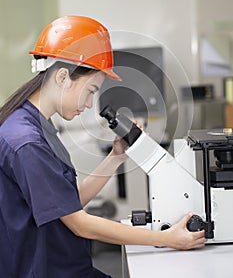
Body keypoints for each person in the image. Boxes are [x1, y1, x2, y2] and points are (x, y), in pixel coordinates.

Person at [0, 15, 207, 278]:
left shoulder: (38, 125)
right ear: (63, 77)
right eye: (91, 90)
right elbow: (79, 223)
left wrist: (115, 157)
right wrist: (166, 238)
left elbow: (67, 202)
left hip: (65, 267)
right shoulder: (26, 141)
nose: (89, 104)